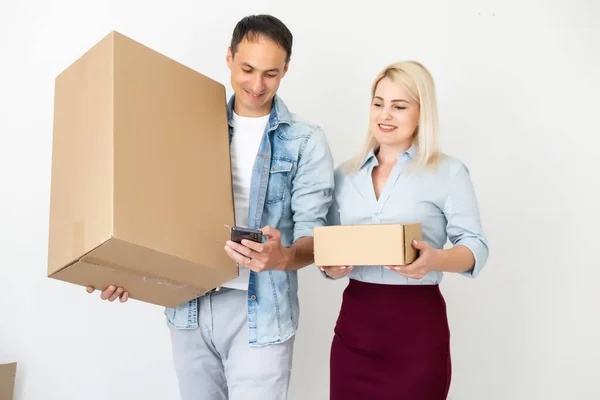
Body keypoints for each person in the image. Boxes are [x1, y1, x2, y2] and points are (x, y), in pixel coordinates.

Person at [86, 14, 334, 400]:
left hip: (262, 312)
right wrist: (123, 269)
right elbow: (154, 211)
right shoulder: (189, 124)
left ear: (286, 69)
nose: (256, 85)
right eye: (247, 69)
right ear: (229, 57)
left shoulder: (305, 141)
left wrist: (280, 257)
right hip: (189, 306)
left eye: (271, 73)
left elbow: (314, 239)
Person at [320, 60, 490, 400]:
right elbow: (326, 242)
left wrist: (435, 259)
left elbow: (476, 247)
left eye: (399, 106)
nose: (386, 115)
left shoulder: (448, 172)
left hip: (416, 330)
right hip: (356, 328)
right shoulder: (343, 175)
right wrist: (329, 265)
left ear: (421, 112)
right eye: (378, 103)